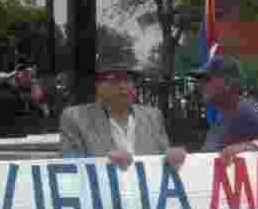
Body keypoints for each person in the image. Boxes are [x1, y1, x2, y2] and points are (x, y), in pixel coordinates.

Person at [58, 62, 187, 171]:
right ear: (98, 86)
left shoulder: (153, 116)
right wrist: (105, 161)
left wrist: (173, 157)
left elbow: (164, 156)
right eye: (114, 80)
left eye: (128, 80)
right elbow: (70, 161)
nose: (123, 86)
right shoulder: (75, 117)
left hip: (146, 196)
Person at [190, 54, 258, 164]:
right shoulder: (224, 114)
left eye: (206, 79)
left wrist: (247, 147)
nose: (201, 85)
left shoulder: (243, 110)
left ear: (227, 83)